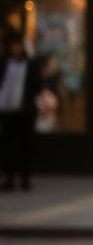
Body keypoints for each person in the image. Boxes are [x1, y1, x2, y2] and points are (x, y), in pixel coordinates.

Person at [0, 33, 43, 191]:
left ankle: (25, 178)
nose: (16, 49)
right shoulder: (5, 63)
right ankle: (9, 178)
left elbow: (37, 85)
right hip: (7, 110)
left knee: (25, 146)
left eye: (19, 46)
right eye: (13, 46)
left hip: (25, 111)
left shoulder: (31, 64)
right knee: (8, 146)